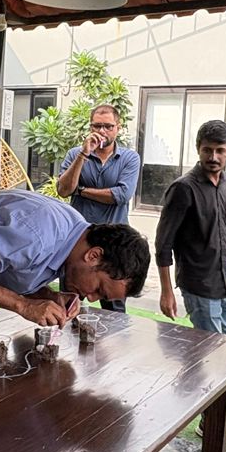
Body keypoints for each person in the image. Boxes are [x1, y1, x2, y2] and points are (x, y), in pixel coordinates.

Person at [0, 188, 150, 337]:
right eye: (99, 289)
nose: (92, 298)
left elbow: (13, 264)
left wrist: (46, 295)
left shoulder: (74, 238)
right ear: (93, 255)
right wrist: (23, 305)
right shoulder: (36, 234)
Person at [154, 119, 226, 335]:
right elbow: (163, 245)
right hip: (198, 285)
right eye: (207, 150)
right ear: (198, 149)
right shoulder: (183, 188)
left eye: (220, 151)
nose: (213, 157)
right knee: (211, 350)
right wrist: (166, 292)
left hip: (223, 285)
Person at [55, 104, 141, 312]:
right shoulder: (75, 154)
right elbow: (64, 190)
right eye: (97, 126)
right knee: (69, 301)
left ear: (118, 127)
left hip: (115, 244)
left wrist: (81, 190)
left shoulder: (129, 158)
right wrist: (83, 155)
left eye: (108, 126)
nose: (102, 131)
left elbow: (121, 195)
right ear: (90, 127)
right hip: (78, 242)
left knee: (114, 306)